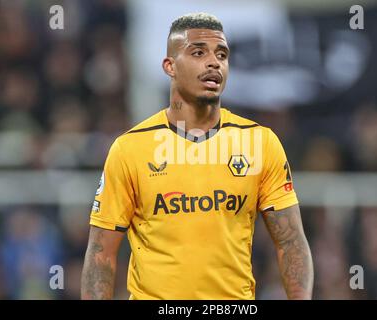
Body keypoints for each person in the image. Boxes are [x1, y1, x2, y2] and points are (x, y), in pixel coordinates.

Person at [81, 12, 313, 300]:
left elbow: (291, 242)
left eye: (222, 54)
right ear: (170, 66)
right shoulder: (130, 149)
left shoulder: (259, 142)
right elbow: (101, 254)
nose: (214, 62)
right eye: (198, 53)